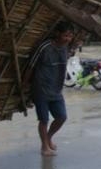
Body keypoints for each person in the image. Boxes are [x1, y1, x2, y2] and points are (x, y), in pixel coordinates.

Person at [23, 21, 75, 157]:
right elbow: (31, 66)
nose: (68, 39)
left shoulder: (66, 48)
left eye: (70, 36)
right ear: (57, 34)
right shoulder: (44, 47)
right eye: (65, 35)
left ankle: (48, 137)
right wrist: (25, 85)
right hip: (41, 89)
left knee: (62, 117)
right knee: (44, 120)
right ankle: (44, 146)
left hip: (56, 90)